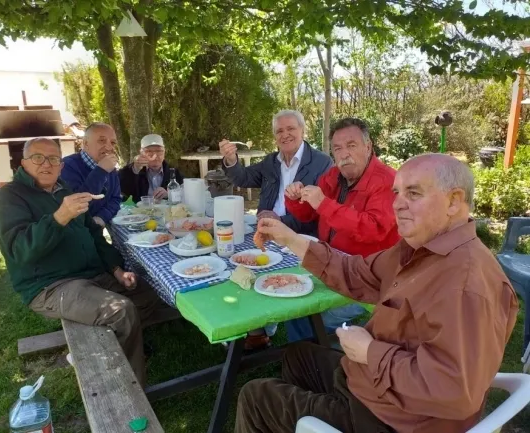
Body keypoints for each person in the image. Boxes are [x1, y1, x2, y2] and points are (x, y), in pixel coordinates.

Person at [235, 153, 519, 433]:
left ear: (454, 201)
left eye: (413, 193)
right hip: (372, 385)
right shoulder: (419, 249)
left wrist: (371, 352)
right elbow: (357, 273)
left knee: (255, 397)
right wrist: (290, 239)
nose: (397, 204)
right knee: (298, 355)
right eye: (397, 193)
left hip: (395, 419)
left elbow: (455, 391)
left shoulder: (466, 284)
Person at [0, 138, 167, 386]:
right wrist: (59, 218)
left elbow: (94, 234)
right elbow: (19, 251)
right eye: (38, 158)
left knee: (150, 292)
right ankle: (128, 387)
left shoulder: (64, 189)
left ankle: (109, 345)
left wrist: (116, 269)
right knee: (121, 310)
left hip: (92, 275)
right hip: (52, 285)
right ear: (23, 163)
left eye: (54, 159)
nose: (46, 164)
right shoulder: (10, 197)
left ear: (61, 166)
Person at [283, 118, 400, 342]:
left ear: (368, 147)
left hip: (370, 279)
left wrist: (323, 204)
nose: (344, 154)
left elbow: (373, 228)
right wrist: (296, 198)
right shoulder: (333, 176)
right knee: (293, 302)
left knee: (306, 318)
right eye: (337, 148)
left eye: (351, 145)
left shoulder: (387, 181)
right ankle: (308, 354)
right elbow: (308, 214)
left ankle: (321, 358)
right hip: (333, 265)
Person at [219, 109, 333, 235]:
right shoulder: (270, 162)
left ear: (302, 130)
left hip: (301, 237)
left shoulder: (322, 162)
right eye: (279, 131)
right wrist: (231, 159)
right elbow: (242, 178)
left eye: (290, 129)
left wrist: (280, 220)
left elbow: (321, 211)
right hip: (266, 232)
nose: (285, 135)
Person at [61, 122, 121, 226]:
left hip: (96, 228)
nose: (109, 147)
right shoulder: (66, 166)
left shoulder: (110, 167)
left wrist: (101, 217)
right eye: (102, 141)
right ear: (86, 143)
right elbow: (77, 205)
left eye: (113, 143)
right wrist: (101, 171)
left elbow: (115, 199)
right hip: (74, 230)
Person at [119, 134, 184, 202]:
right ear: (141, 153)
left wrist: (169, 194)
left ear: (164, 153)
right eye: (149, 151)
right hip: (141, 208)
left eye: (159, 151)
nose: (154, 155)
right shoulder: (134, 170)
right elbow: (122, 190)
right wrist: (135, 169)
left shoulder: (174, 172)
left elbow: (185, 193)